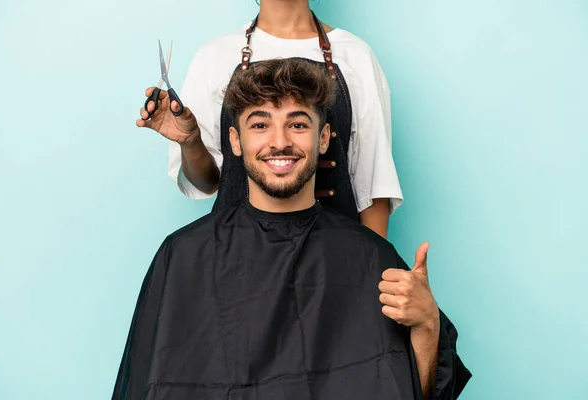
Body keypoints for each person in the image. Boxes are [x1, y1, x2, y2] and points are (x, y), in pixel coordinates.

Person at [120, 58, 471, 400]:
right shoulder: (182, 258)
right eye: (260, 125)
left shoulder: (371, 258)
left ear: (323, 138)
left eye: (298, 125)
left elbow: (410, 389)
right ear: (236, 141)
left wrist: (427, 326)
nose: (279, 142)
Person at [137, 0, 402, 237]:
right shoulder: (214, 56)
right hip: (235, 258)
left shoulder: (356, 55)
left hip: (334, 263)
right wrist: (191, 141)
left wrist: (370, 275)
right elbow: (206, 182)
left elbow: (374, 188)